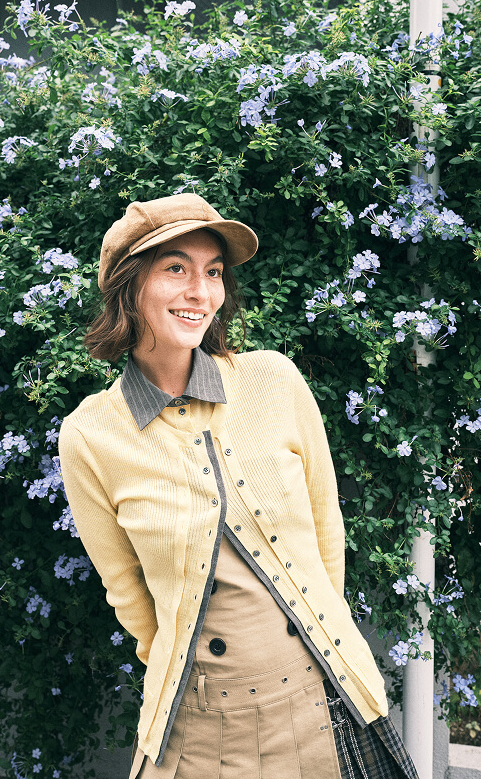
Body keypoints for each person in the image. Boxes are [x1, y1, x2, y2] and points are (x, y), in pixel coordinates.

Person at [58, 194, 419, 779]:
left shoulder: (273, 379)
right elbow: (130, 597)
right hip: (198, 730)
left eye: (214, 272)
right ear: (130, 288)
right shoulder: (89, 436)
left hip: (323, 703)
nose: (200, 292)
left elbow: (327, 536)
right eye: (176, 268)